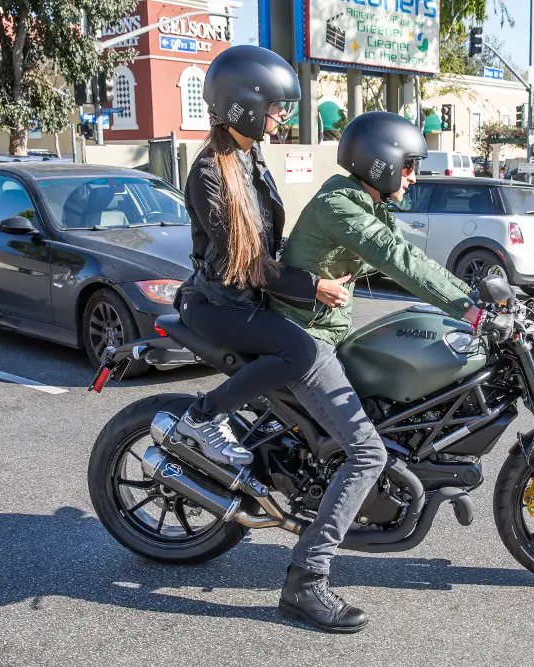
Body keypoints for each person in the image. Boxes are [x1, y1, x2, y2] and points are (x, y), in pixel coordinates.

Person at [269, 111, 513, 633]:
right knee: (366, 451)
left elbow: (406, 259)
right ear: (378, 162)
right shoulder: (340, 205)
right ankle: (304, 580)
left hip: (325, 335)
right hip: (305, 341)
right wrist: (468, 308)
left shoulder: (364, 204)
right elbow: (396, 257)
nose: (412, 177)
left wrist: (477, 295)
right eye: (406, 166)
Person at [173, 45, 351, 465]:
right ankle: (202, 416)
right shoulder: (209, 173)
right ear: (245, 105)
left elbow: (270, 241)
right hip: (219, 303)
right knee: (300, 351)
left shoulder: (249, 155)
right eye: (274, 106)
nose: (281, 115)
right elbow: (249, 265)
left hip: (247, 297)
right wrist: (313, 287)